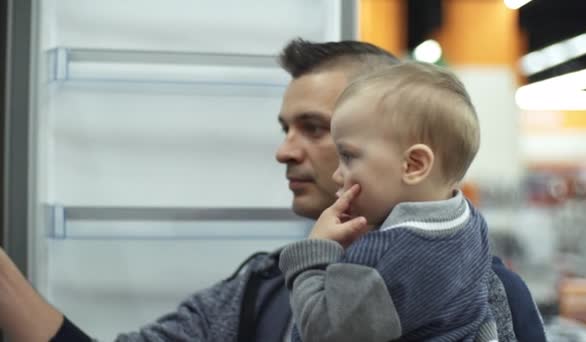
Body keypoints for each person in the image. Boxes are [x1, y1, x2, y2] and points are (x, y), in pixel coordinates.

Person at [0, 39, 546, 342]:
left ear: (411, 155)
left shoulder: (491, 295)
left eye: (319, 130)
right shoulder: (258, 290)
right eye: (284, 129)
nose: (285, 151)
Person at [279, 61, 497, 342]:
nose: (337, 174)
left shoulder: (379, 256)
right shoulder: (472, 225)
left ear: (413, 165)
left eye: (348, 156)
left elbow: (325, 333)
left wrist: (313, 255)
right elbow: (482, 317)